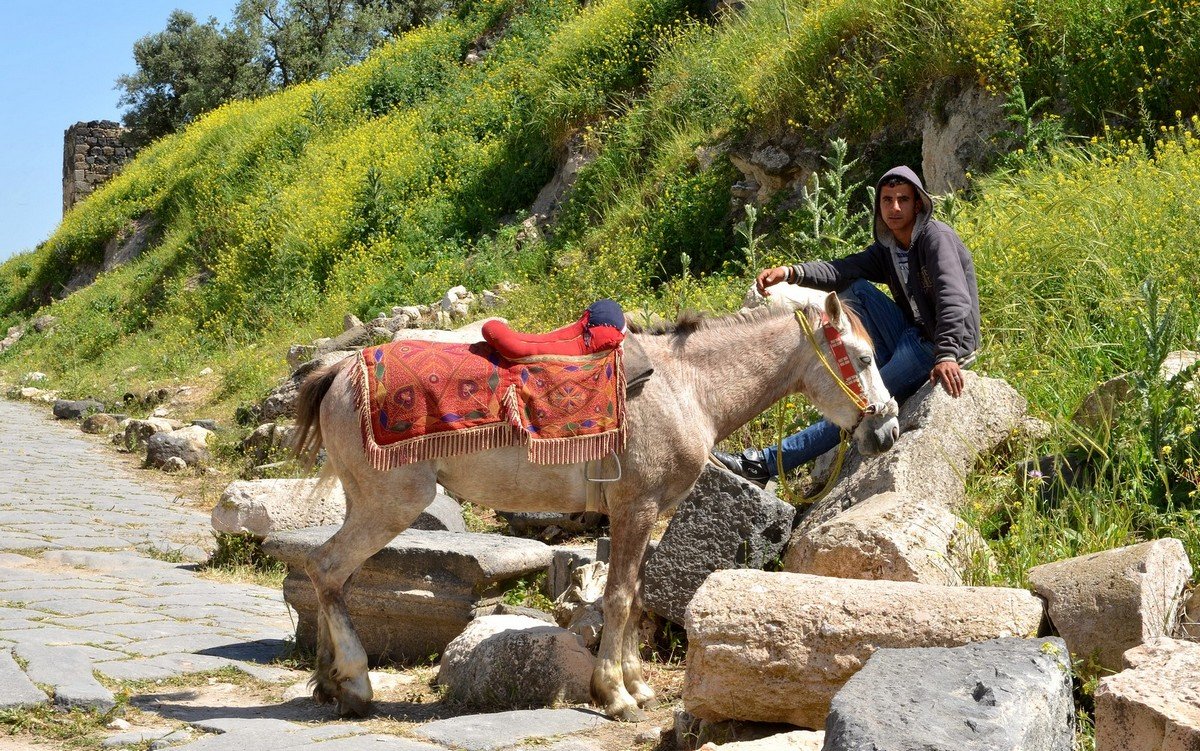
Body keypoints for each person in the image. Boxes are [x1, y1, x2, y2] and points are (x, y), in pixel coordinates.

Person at [712, 165, 981, 484]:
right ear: (879, 205)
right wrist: (790, 272)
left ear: (918, 204)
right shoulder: (891, 246)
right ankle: (864, 362)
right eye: (887, 200)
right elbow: (844, 268)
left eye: (903, 200)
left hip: (935, 344)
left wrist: (947, 354)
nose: (894, 208)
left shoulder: (936, 238)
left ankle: (765, 464)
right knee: (854, 289)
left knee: (858, 399)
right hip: (911, 331)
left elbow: (955, 298)